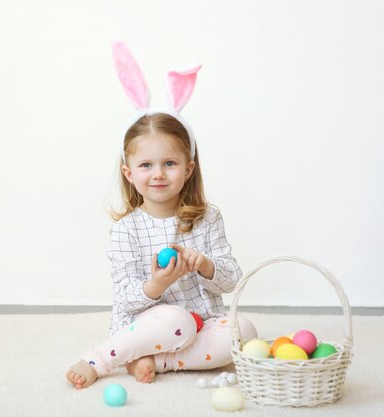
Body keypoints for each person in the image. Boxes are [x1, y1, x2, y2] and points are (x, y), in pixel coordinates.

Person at [66, 42, 257, 390]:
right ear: (129, 173)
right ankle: (101, 358)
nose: (158, 174)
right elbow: (124, 295)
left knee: (243, 332)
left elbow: (232, 280)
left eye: (169, 163)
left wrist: (205, 265)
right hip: (148, 323)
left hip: (200, 322)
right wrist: (158, 284)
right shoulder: (127, 229)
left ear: (188, 169)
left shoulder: (207, 218)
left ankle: (155, 361)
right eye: (146, 165)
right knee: (175, 318)